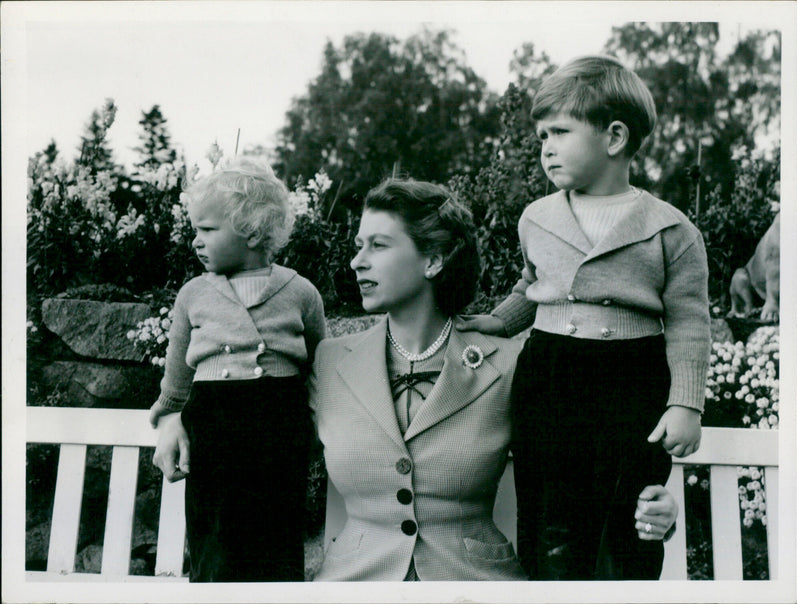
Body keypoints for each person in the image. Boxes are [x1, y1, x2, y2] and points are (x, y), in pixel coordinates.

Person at [154, 176, 679, 582]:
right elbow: (252, 429)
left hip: (473, 583)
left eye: (379, 246)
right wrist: (179, 416)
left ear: (433, 259)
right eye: (358, 245)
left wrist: (654, 504)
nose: (357, 261)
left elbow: (588, 461)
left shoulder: (509, 362)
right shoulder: (331, 362)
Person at [458, 55, 711, 579]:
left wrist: (686, 402)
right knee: (551, 519)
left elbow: (689, 319)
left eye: (559, 132)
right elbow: (534, 286)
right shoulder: (538, 217)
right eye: (540, 135)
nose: (545, 146)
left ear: (614, 137)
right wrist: (502, 321)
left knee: (631, 518)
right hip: (550, 374)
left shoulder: (671, 229)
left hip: (632, 379)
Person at [149, 157, 326, 581]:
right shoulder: (193, 295)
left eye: (207, 230)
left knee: (277, 535)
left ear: (250, 231)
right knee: (217, 535)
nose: (196, 240)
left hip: (279, 427)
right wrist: (171, 418)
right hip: (213, 427)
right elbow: (177, 376)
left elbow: (325, 365)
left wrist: (326, 424)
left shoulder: (300, 291)